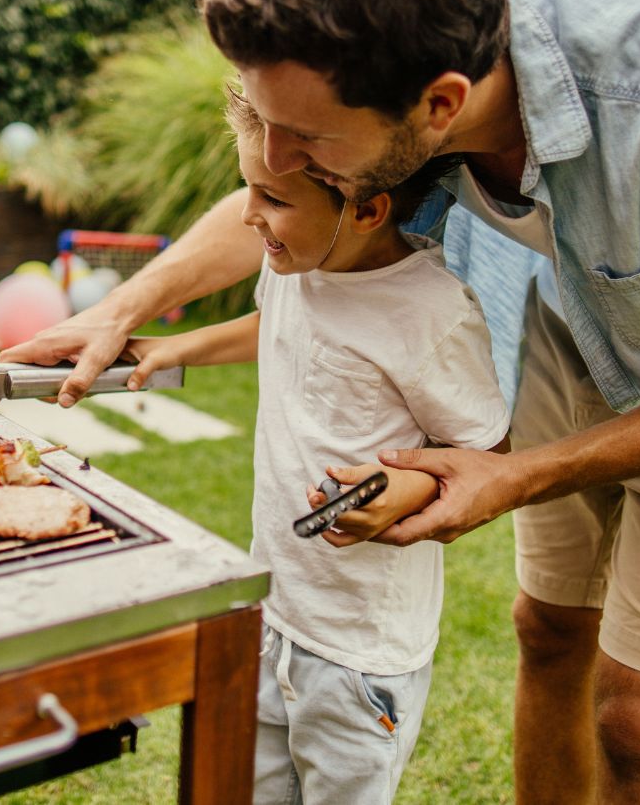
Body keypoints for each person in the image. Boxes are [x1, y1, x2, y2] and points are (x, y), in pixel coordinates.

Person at [1, 0, 640, 801]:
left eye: (309, 140)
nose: (273, 159)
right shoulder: (390, 26)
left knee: (639, 721)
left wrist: (518, 473)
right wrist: (126, 307)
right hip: (560, 316)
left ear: (441, 106)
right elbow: (290, 203)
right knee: (549, 632)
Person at [122, 89, 509, 804]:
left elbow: (487, 452)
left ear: (366, 209)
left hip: (359, 651)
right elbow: (273, 331)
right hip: (274, 611)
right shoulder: (297, 264)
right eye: (249, 188)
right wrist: (172, 347)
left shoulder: (431, 316)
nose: (248, 215)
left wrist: (406, 492)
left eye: (272, 197)